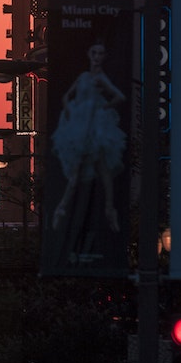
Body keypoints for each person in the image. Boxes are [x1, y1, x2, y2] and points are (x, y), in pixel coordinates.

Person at [51, 40, 126, 237]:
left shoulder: (100, 78)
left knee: (103, 170)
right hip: (79, 126)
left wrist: (103, 108)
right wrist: (70, 110)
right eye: (94, 52)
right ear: (89, 54)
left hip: (94, 127)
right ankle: (63, 208)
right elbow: (66, 96)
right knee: (80, 172)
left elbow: (119, 97)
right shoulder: (83, 76)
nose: (97, 56)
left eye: (101, 53)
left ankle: (108, 209)